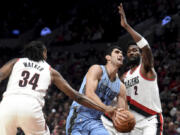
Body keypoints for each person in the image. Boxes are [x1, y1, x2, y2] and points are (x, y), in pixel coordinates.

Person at [0, 41, 115, 135]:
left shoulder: (16, 62)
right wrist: (104, 108)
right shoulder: (50, 71)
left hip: (7, 105)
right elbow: (77, 96)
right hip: (31, 105)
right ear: (44, 53)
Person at [101, 3, 163, 135]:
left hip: (150, 120)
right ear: (127, 56)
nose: (132, 52)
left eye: (135, 50)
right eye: (129, 51)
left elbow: (146, 48)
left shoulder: (146, 68)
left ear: (140, 54)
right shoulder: (124, 76)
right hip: (131, 122)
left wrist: (126, 26)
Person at [66, 45, 128, 135]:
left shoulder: (121, 87)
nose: (121, 55)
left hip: (95, 121)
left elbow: (122, 111)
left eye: (122, 54)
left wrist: (124, 119)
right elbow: (89, 94)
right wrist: (106, 108)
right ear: (108, 57)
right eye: (117, 52)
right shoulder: (97, 69)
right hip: (79, 116)